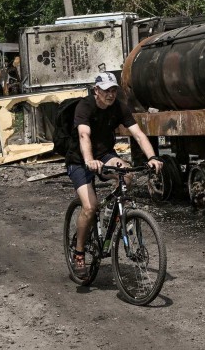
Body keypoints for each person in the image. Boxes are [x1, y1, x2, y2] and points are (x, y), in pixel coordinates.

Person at [65, 71, 162, 273]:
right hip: (79, 160)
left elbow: (138, 134)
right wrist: (89, 160)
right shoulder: (85, 106)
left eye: (114, 90)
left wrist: (152, 157)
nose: (110, 94)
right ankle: (80, 251)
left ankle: (111, 214)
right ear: (96, 90)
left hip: (105, 155)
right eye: (106, 90)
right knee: (90, 207)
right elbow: (84, 135)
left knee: (126, 174)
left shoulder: (119, 107)